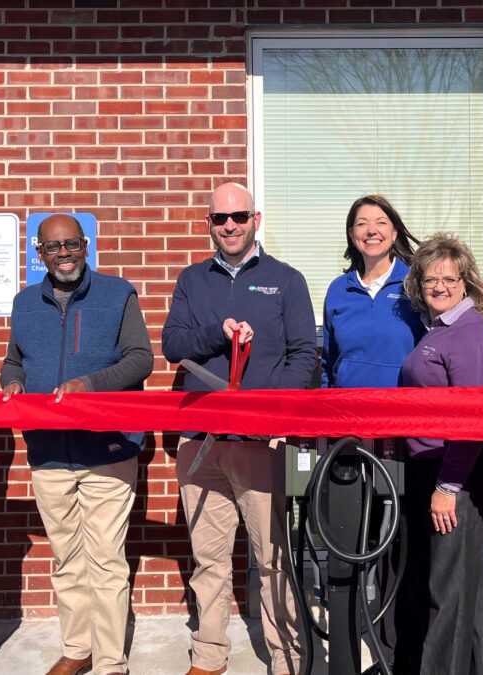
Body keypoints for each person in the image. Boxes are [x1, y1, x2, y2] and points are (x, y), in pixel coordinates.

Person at [161, 182, 315, 675]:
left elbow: (304, 355)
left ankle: (286, 656)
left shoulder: (285, 280)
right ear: (208, 223)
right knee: (209, 560)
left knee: (273, 560)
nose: (229, 225)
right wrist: (217, 331)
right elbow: (172, 343)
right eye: (220, 218)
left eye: (239, 216)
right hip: (202, 443)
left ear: (256, 219)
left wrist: (272, 416)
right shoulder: (191, 279)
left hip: (261, 444)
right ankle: (209, 655)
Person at [0, 214, 154, 675]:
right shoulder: (25, 302)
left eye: (72, 245)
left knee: (106, 561)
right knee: (66, 557)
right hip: (48, 451)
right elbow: (13, 361)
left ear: (85, 247)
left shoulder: (117, 293)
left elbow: (141, 359)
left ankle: (110, 663)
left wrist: (90, 383)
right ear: (39, 254)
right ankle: (76, 649)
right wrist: (12, 383)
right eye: (53, 247)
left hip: (107, 449)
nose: (64, 254)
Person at [393, 233, 483, 675]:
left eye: (449, 278)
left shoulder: (470, 333)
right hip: (435, 466)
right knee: (469, 585)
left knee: (445, 592)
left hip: (456, 470)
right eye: (430, 280)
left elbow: (473, 419)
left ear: (466, 283)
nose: (439, 286)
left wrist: (448, 486)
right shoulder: (441, 330)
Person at [321, 194, 424, 389]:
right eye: (362, 224)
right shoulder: (338, 290)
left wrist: (480, 330)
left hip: (401, 408)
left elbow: (447, 328)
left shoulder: (416, 284)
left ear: (394, 233)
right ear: (352, 234)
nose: (371, 231)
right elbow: (328, 362)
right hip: (347, 409)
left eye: (381, 223)